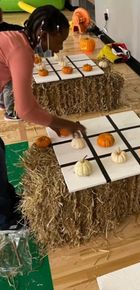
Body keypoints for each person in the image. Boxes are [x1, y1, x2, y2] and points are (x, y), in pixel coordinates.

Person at [0, 5, 86, 230]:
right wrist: (65, 124)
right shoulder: (21, 52)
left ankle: (8, 202)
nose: (59, 48)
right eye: (60, 40)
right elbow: (24, 110)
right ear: (44, 35)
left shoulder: (18, 39)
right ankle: (5, 220)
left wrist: (55, 124)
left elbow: (26, 101)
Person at [0, 8, 23, 121]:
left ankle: (1, 103)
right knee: (9, 85)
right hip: (4, 60)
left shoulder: (4, 26)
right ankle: (10, 113)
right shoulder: (4, 27)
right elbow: (16, 28)